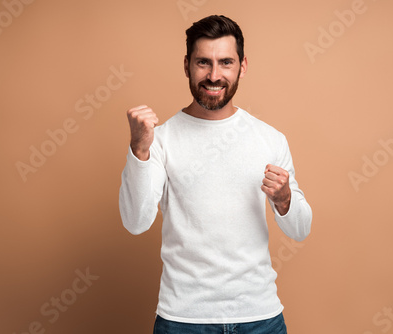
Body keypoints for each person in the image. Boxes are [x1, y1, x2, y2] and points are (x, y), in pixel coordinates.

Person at [119, 15, 312, 334]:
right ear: (186, 66)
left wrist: (285, 199)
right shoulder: (161, 139)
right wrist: (139, 149)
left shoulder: (269, 138)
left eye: (225, 62)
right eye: (203, 63)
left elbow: (301, 229)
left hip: (260, 318)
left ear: (242, 66)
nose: (213, 75)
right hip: (183, 320)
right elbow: (136, 222)